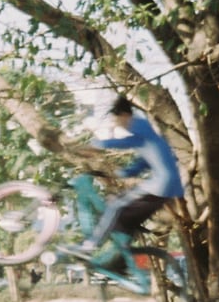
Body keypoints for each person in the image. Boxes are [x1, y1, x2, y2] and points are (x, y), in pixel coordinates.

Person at [68, 95, 184, 280]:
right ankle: (122, 263)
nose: (117, 124)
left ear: (124, 115)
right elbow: (143, 163)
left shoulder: (139, 125)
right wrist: (122, 173)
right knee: (125, 223)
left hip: (161, 185)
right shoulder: (147, 134)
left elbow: (128, 142)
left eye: (116, 119)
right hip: (167, 189)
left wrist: (98, 144)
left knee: (115, 206)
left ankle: (88, 247)